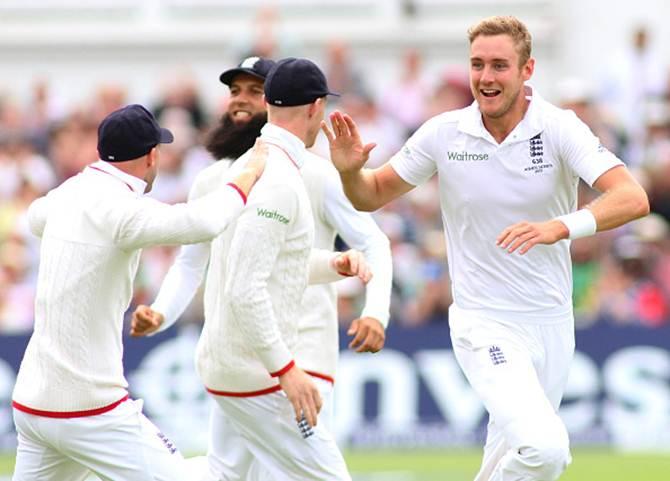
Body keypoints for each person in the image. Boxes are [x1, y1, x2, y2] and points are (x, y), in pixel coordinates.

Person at [321, 15, 650, 481]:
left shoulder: (559, 127)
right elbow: (370, 195)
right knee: (546, 450)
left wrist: (560, 226)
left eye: (499, 65)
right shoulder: (443, 133)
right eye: (477, 65)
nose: (486, 78)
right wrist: (351, 172)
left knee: (508, 462)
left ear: (527, 70)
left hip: (552, 322)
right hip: (484, 322)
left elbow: (633, 197)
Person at [132, 55, 393, 479]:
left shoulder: (297, 173)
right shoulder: (243, 177)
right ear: (314, 107)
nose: (241, 101)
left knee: (230, 473)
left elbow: (362, 245)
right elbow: (223, 274)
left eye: (254, 90)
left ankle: (132, 461)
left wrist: (351, 282)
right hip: (263, 364)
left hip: (291, 353)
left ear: (273, 101)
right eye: (235, 90)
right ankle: (132, 460)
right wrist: (162, 315)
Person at [10, 104, 268, 481]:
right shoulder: (123, 210)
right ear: (151, 155)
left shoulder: (71, 194)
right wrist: (250, 171)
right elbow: (206, 220)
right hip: (90, 411)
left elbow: (34, 216)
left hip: (33, 406)